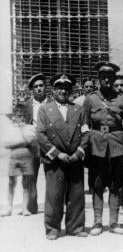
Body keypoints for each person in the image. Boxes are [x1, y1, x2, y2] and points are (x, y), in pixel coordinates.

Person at [82, 62, 123, 235]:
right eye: (103, 77)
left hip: (117, 146)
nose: (106, 79)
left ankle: (113, 223)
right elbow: (84, 125)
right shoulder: (90, 99)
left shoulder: (121, 100)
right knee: (97, 185)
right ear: (98, 79)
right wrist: (87, 146)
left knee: (115, 184)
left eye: (109, 77)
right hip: (96, 146)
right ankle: (97, 223)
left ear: (113, 79)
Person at [36, 73, 90, 239]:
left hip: (74, 159)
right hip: (55, 160)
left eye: (66, 88)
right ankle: (52, 229)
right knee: (54, 195)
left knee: (76, 194)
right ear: (53, 90)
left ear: (70, 90)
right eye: (59, 88)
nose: (63, 91)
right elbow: (41, 135)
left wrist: (79, 153)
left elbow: (86, 133)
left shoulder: (78, 110)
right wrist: (57, 154)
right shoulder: (45, 110)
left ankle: (75, 227)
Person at [0, 104, 36, 217]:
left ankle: (25, 208)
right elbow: (6, 144)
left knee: (26, 183)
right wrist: (21, 142)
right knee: (11, 182)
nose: (21, 118)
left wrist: (16, 141)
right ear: (14, 116)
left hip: (27, 157)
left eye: (23, 115)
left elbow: (31, 141)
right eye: (18, 115)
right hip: (14, 157)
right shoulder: (10, 128)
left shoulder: (30, 127)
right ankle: (9, 208)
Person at [25, 73, 52, 214]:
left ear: (45, 87)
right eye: (36, 86)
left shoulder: (52, 103)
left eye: (41, 85)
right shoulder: (27, 105)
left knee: (51, 175)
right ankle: (32, 206)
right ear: (32, 89)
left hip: (49, 144)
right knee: (31, 176)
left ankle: (51, 206)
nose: (39, 88)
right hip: (33, 145)